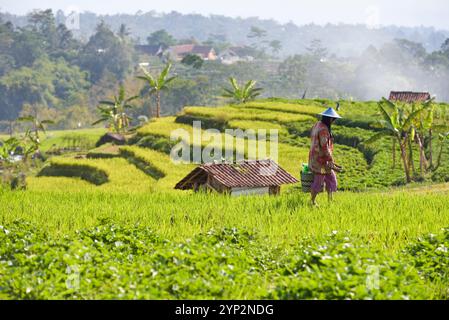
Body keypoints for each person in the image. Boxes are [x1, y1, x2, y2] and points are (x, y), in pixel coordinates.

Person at [308, 107, 342, 206]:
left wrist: (331, 162)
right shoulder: (323, 129)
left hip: (319, 158)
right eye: (333, 120)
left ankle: (330, 199)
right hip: (320, 161)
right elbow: (324, 146)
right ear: (330, 119)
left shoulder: (317, 125)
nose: (333, 122)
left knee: (331, 178)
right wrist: (330, 159)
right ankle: (312, 201)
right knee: (319, 180)